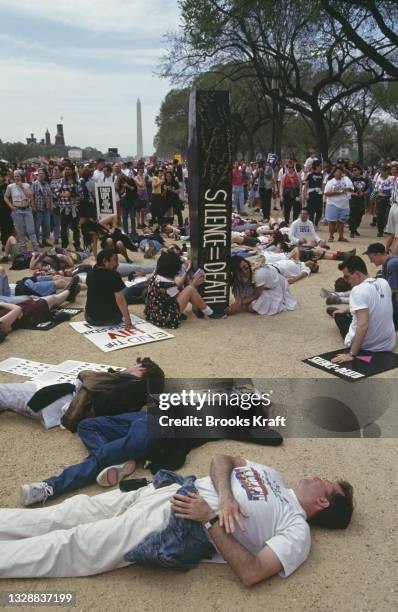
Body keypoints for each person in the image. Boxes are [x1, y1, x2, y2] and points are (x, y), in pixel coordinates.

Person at [0, 454, 353, 579]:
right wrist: (226, 498)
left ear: (323, 503)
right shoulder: (274, 475)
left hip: (179, 523)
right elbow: (222, 459)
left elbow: (253, 572)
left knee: (75, 545)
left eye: (327, 484)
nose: (319, 477)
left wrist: (212, 518)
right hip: (169, 489)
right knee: (74, 510)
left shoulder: (296, 531)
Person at [329, 256, 396, 363]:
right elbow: (374, 304)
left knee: (339, 317)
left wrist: (351, 354)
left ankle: (337, 312)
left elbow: (363, 325)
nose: (346, 281)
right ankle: (348, 310)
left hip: (367, 347)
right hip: (388, 343)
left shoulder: (357, 290)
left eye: (347, 277)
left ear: (358, 274)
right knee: (360, 311)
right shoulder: (383, 282)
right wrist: (347, 309)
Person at [145, 251, 216, 328]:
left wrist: (187, 270)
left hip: (154, 313)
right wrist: (194, 283)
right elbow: (179, 294)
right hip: (165, 317)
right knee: (190, 289)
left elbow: (176, 286)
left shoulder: (157, 275)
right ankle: (210, 312)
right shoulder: (166, 283)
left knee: (186, 287)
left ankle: (206, 310)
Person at [0, 276, 80, 338]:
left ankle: (68, 293)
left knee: (51, 300)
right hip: (30, 312)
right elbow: (17, 309)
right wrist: (1, 303)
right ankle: (69, 292)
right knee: (52, 299)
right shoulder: (2, 322)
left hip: (26, 311)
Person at [226, 256, 297, 316]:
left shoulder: (259, 274)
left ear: (247, 263)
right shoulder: (237, 275)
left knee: (252, 307)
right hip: (257, 286)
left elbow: (256, 295)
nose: (244, 271)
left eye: (245, 268)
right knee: (245, 299)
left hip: (274, 286)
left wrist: (239, 304)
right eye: (239, 270)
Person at [85, 249, 134, 329]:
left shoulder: (90, 273)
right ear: (105, 261)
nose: (117, 264)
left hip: (91, 318)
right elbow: (120, 300)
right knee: (124, 295)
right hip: (112, 319)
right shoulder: (115, 276)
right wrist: (128, 321)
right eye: (115, 260)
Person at [363, 242, 398, 328]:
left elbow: (391, 291)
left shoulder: (391, 264)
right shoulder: (387, 262)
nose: (371, 261)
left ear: (378, 254)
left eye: (371, 258)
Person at [3, 170, 39, 252]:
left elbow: (30, 195)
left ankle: (36, 249)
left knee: (31, 230)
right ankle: (24, 251)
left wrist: (22, 187)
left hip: (27, 209)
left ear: (21, 177)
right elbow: (5, 197)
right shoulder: (10, 186)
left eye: (18, 176)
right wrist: (11, 206)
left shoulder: (26, 185)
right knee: (20, 231)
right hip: (17, 210)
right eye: (15, 176)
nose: (16, 178)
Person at [324, 166, 354, 243]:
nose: (339, 173)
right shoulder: (330, 182)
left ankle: (341, 237)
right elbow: (326, 193)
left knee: (341, 221)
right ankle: (331, 236)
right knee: (332, 221)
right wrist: (336, 193)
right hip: (333, 204)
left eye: (341, 171)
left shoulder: (346, 180)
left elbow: (352, 189)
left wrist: (347, 189)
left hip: (344, 204)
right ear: (334, 173)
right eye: (337, 171)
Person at [32, 167, 53, 247]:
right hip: (38, 209)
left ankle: (44, 240)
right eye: (39, 173)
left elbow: (50, 195)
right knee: (37, 226)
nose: (41, 175)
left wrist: (51, 205)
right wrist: (33, 206)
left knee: (46, 225)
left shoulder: (47, 184)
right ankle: (37, 241)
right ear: (37, 175)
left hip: (46, 208)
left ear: (45, 175)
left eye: (42, 174)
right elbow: (32, 196)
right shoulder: (34, 184)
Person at [348, 164, 368, 238]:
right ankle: (352, 231)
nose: (354, 171)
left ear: (360, 170)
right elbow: (348, 191)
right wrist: (354, 194)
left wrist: (363, 193)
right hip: (353, 200)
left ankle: (355, 228)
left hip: (361, 200)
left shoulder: (365, 180)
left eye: (355, 170)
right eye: (352, 170)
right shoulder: (350, 180)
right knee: (353, 216)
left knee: (359, 217)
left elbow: (368, 190)